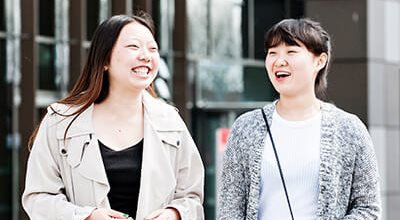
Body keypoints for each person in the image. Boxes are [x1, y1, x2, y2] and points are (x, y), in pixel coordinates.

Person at [22, 13, 204, 220]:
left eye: (152, 48)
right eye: (133, 47)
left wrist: (173, 214)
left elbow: (192, 198)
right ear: (104, 59)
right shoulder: (61, 121)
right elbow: (38, 198)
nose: (146, 55)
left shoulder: (171, 122)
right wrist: (86, 216)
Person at [218, 18, 381, 220]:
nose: (279, 60)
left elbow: (368, 209)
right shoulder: (245, 128)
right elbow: (229, 211)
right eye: (272, 52)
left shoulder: (349, 129)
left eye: (291, 52)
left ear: (320, 61)